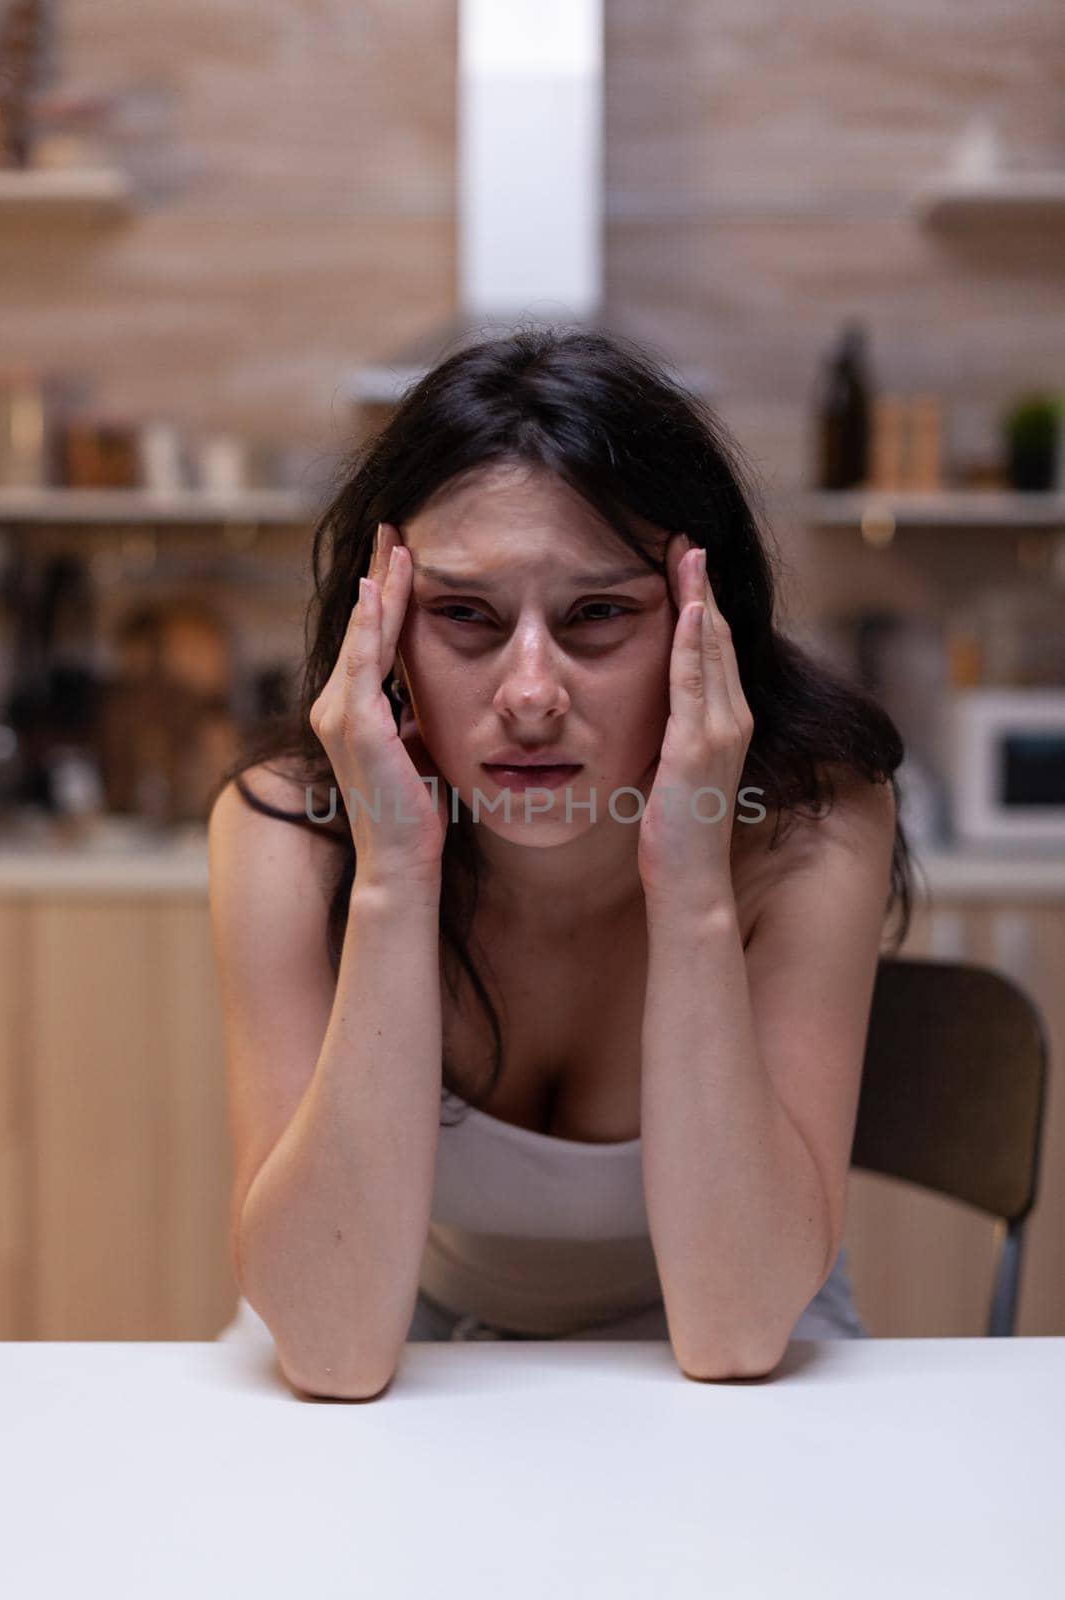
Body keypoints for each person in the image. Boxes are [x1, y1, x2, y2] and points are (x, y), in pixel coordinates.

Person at [208, 326, 915, 1398]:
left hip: (741, 1365)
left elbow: (730, 1333)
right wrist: (396, 878)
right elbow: (332, 1346)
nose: (529, 694)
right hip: (413, 1351)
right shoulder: (290, 832)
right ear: (382, 631)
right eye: (461, 615)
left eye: (595, 614)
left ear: (699, 621)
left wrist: (690, 888)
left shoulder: (809, 825)